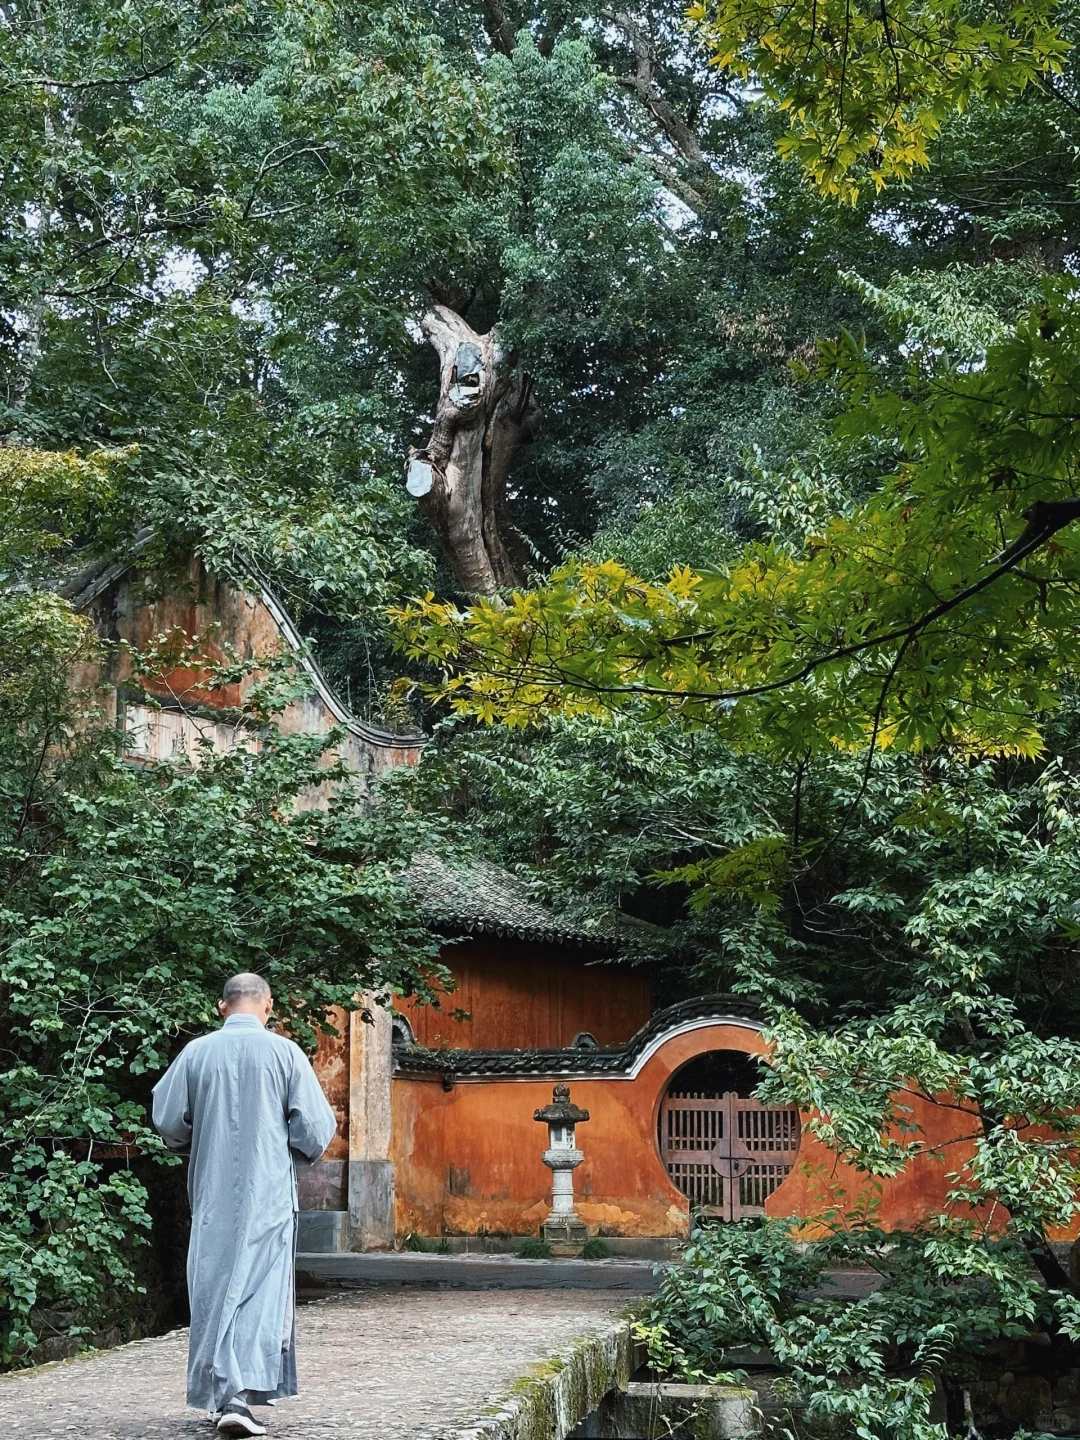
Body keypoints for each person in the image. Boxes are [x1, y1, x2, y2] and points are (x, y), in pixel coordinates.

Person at [152, 972, 337, 1437]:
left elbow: (168, 1119)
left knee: (215, 1290)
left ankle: (223, 1395)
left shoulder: (196, 1053)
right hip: (269, 1194)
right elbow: (314, 1128)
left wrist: (194, 1143)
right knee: (259, 1291)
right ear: (268, 1006)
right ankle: (240, 1398)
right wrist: (284, 1150)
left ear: (222, 1007)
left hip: (213, 1196)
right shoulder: (285, 1053)